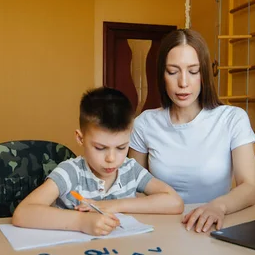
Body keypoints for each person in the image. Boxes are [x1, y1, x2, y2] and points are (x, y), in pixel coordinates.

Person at [129, 29, 255, 233]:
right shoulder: (145, 123)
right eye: (173, 71)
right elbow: (132, 187)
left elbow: (250, 187)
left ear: (204, 73)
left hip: (214, 226)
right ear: (162, 75)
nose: (183, 82)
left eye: (193, 71)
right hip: (161, 229)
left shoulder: (232, 118)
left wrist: (218, 207)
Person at [13, 87, 184, 236]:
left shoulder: (130, 170)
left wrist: (111, 205)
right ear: (80, 138)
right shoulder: (70, 172)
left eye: (121, 147)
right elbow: (23, 213)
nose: (111, 159)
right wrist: (81, 222)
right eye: (100, 148)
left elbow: (174, 202)